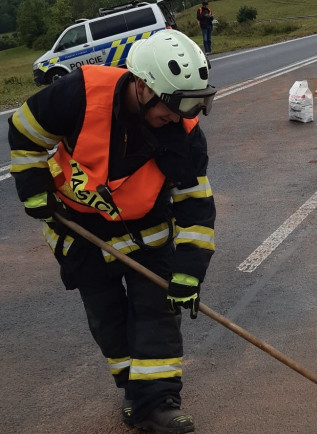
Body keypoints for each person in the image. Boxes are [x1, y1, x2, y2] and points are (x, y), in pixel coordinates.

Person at [7, 29, 217, 433]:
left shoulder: (185, 134)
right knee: (108, 321)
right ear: (142, 85)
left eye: (189, 105)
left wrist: (189, 272)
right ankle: (132, 391)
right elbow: (25, 132)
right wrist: (33, 190)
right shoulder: (79, 93)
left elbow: (195, 205)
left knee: (158, 312)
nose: (177, 116)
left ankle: (156, 403)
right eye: (171, 105)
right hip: (81, 232)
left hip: (149, 234)